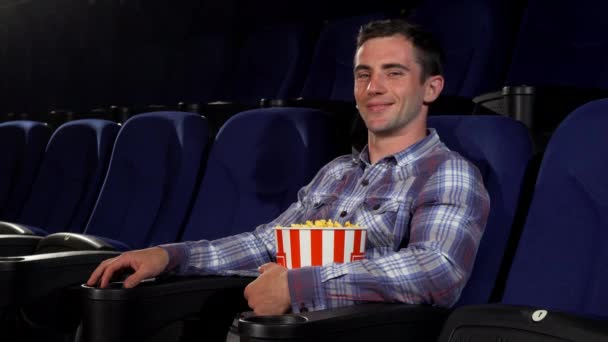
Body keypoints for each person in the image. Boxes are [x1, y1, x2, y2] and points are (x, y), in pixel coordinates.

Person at [87, 19, 490, 316]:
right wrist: (169, 256)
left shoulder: (446, 172)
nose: (374, 88)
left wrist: (299, 286)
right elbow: (269, 243)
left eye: (394, 73)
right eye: (363, 74)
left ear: (431, 88)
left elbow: (437, 269)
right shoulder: (337, 172)